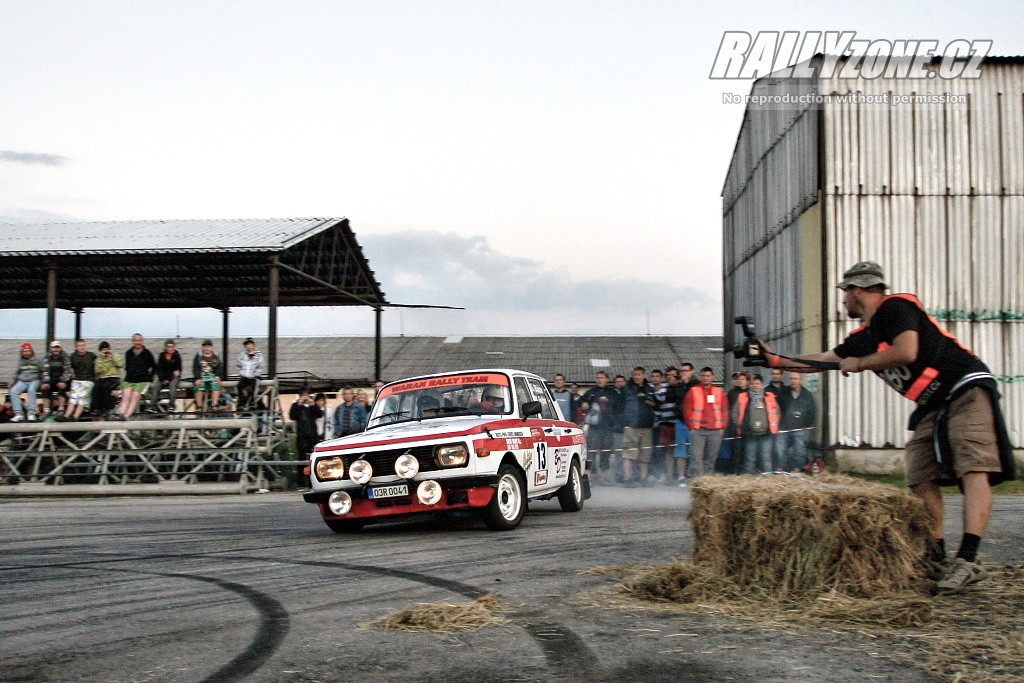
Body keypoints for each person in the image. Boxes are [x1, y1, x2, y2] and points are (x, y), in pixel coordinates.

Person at [761, 261, 1016, 595]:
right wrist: (775, 360)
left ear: (858, 291)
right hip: (932, 402)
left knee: (973, 467)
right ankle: (936, 557)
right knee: (920, 472)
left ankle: (966, 560)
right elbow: (824, 359)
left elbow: (906, 351)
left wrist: (861, 363)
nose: (843, 302)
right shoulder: (864, 336)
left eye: (845, 294)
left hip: (964, 386)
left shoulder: (895, 307)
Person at [682, 367, 728, 480]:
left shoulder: (719, 392)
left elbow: (725, 410)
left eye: (708, 376)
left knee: (711, 458)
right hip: (698, 430)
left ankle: (708, 481)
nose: (705, 378)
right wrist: (691, 427)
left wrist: (723, 427)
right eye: (703, 376)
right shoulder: (693, 391)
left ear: (712, 377)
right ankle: (695, 481)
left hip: (715, 430)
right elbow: (687, 410)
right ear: (700, 376)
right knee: (696, 457)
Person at [732, 373, 779, 474]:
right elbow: (734, 412)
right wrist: (739, 424)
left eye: (757, 383)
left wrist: (774, 425)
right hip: (750, 434)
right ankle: (750, 482)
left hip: (766, 434)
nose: (755, 386)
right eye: (753, 384)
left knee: (766, 459)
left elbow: (777, 412)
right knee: (750, 459)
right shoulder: (742, 397)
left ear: (762, 384)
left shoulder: (769, 397)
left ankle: (768, 481)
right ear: (750, 385)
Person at [579, 371, 618, 485]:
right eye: (597, 378)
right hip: (594, 428)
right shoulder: (592, 391)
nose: (599, 380)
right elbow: (580, 401)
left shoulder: (612, 392)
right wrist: (584, 404)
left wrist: (609, 401)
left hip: (608, 427)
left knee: (605, 452)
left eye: (601, 377)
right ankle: (591, 475)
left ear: (607, 379)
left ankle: (604, 476)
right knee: (591, 451)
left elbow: (619, 405)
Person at [620, 367, 656, 486]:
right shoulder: (626, 388)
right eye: (635, 374)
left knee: (645, 454)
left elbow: (656, 405)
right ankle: (627, 479)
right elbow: (619, 406)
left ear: (644, 375)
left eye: (639, 374)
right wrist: (624, 421)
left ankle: (643, 479)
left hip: (646, 426)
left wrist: (649, 401)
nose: (637, 377)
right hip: (631, 426)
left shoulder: (650, 389)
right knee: (628, 454)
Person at [775, 372, 816, 471]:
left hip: (800, 428)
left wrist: (806, 425)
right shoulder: (783, 392)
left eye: (796, 379)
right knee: (780, 449)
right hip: (784, 428)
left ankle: (798, 469)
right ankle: (780, 468)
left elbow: (812, 411)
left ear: (801, 380)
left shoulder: (807, 394)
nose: (793, 381)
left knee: (800, 450)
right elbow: (776, 408)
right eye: (791, 379)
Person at [116, 333, 155, 419]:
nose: (138, 342)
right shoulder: (128, 353)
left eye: (139, 340)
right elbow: (127, 367)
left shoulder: (147, 353)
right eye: (136, 340)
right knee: (125, 396)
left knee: (135, 397)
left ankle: (126, 416)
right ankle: (121, 414)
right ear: (133, 341)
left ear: (142, 341)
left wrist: (150, 378)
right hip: (129, 379)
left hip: (142, 380)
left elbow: (154, 367)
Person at [289, 386, 321, 488]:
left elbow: (320, 414)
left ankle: (313, 482)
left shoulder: (312, 406)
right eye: (303, 395)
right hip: (302, 436)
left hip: (312, 436)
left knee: (313, 458)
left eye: (306, 394)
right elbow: (292, 416)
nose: (305, 397)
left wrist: (313, 405)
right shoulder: (296, 406)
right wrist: (299, 404)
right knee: (302, 458)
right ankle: (301, 482)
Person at [650, 369, 677, 485]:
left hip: (676, 423)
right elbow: (657, 405)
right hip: (663, 424)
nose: (671, 377)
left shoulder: (680, 388)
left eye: (673, 375)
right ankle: (662, 474)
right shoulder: (660, 390)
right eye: (669, 375)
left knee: (674, 451)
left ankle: (671, 475)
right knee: (661, 450)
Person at [722, 371, 750, 474]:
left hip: (747, 426)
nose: (740, 381)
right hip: (734, 426)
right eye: (738, 379)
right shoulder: (732, 393)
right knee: (734, 450)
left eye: (742, 379)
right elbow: (727, 409)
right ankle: (733, 471)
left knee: (746, 450)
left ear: (747, 381)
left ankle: (744, 471)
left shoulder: (750, 393)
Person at [64, 339, 97, 420]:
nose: (81, 347)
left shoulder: (91, 355)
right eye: (79, 346)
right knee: (73, 397)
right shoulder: (73, 356)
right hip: (77, 380)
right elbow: (67, 369)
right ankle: (66, 416)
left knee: (83, 397)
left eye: (83, 345)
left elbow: (99, 365)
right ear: (76, 347)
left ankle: (75, 417)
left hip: (88, 380)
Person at [9, 342, 41, 422]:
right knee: (13, 391)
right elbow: (17, 371)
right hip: (23, 381)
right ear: (22, 352)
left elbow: (43, 370)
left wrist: (44, 380)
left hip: (34, 380)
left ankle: (31, 413)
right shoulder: (21, 361)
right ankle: (19, 414)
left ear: (31, 351)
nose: (27, 353)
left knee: (31, 390)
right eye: (25, 351)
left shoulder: (37, 360)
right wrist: (13, 380)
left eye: (28, 351)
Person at [148, 339, 183, 413]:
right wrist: (163, 379)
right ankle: (152, 406)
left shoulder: (176, 356)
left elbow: (177, 370)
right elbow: (159, 368)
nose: (170, 349)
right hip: (162, 376)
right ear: (165, 347)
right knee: (156, 387)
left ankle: (171, 406)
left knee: (173, 387)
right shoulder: (162, 355)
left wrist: (168, 379)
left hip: (172, 376)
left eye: (172, 347)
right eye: (168, 347)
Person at [39, 341, 72, 415]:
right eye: (54, 348)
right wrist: (46, 382)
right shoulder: (47, 357)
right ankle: (46, 411)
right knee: (45, 388)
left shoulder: (65, 357)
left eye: (57, 347)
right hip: (51, 379)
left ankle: (61, 409)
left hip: (62, 379)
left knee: (62, 388)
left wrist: (62, 380)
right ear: (51, 348)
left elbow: (68, 370)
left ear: (60, 348)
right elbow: (45, 370)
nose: (56, 349)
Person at [92, 341, 124, 416]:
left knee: (106, 387)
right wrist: (101, 360)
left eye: (107, 349)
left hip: (114, 377)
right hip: (103, 378)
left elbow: (121, 364)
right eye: (103, 350)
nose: (105, 352)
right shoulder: (98, 359)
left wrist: (112, 357)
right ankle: (96, 408)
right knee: (96, 388)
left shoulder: (115, 356)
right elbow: (98, 370)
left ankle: (108, 407)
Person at [192, 340, 223, 412]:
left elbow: (219, 367)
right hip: (201, 376)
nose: (207, 348)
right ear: (203, 347)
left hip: (213, 375)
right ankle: (199, 406)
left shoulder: (216, 356)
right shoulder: (199, 356)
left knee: (216, 384)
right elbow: (195, 368)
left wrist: (218, 376)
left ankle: (214, 405)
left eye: (209, 346)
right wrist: (197, 378)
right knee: (199, 386)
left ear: (212, 347)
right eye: (205, 346)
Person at [235, 338, 265, 409]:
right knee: (239, 386)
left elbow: (261, 366)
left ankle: (252, 402)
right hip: (244, 376)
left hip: (254, 376)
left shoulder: (259, 354)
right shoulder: (242, 355)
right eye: (247, 344)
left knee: (252, 387)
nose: (249, 346)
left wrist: (256, 374)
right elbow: (238, 365)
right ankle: (241, 403)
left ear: (253, 344)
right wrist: (241, 373)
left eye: (250, 344)